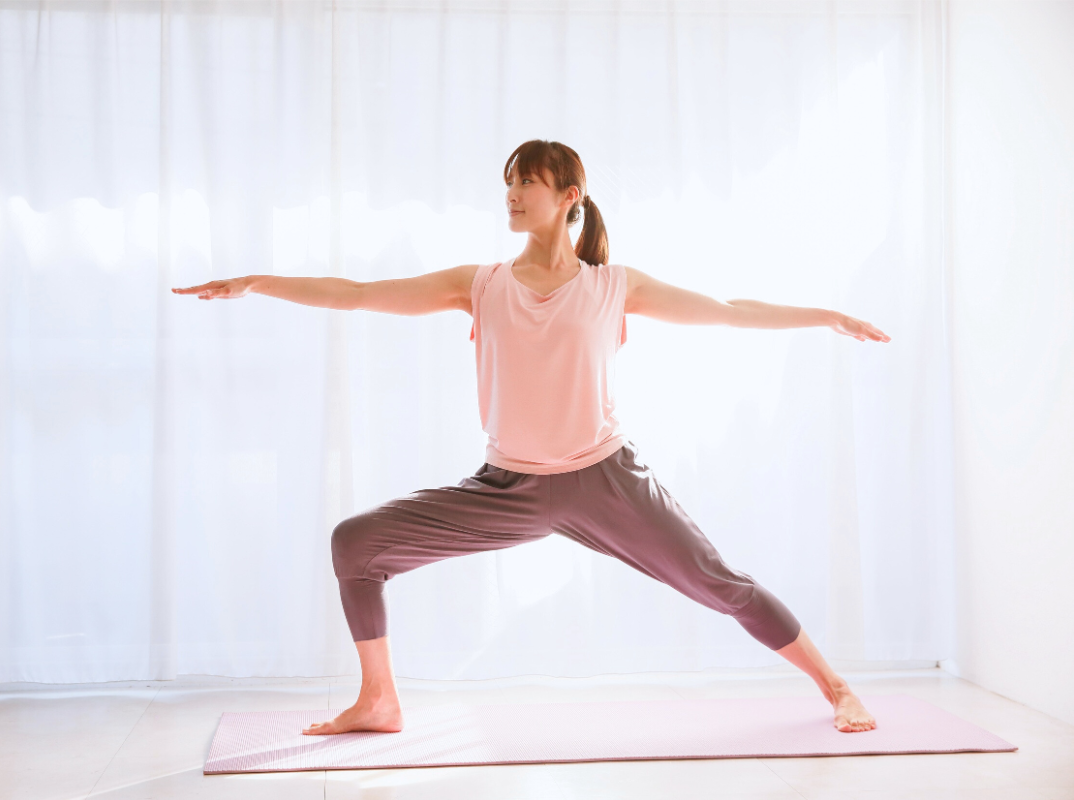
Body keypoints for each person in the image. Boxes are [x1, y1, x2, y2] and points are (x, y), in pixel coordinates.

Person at [173, 139, 890, 737]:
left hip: (605, 480)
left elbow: (730, 311)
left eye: (528, 183)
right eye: (509, 183)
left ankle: (834, 690)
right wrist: (258, 282)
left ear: (571, 194)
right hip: (506, 488)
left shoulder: (614, 286)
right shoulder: (479, 282)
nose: (512, 194)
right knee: (354, 544)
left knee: (720, 585)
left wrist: (825, 315)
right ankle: (380, 701)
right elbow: (360, 293)